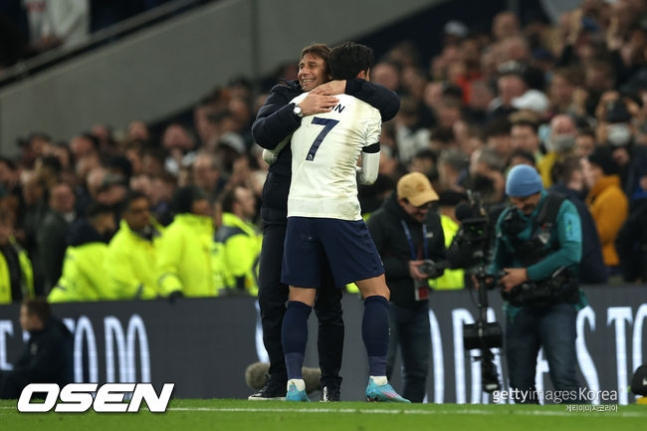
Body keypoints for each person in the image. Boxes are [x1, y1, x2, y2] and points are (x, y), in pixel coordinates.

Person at [250, 42, 400, 401]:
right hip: (337, 212)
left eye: (311, 65)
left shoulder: (299, 105)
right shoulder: (363, 109)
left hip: (298, 212)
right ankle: (377, 380)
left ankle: (298, 384)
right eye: (301, 65)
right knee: (375, 292)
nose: (303, 71)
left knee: (301, 301)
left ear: (330, 71)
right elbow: (370, 176)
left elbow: (268, 152)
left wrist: (301, 112)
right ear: (364, 73)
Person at [489, 164, 585, 404]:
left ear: (537, 192)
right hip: (520, 307)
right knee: (520, 387)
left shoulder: (562, 208)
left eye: (525, 201)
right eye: (515, 201)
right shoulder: (507, 218)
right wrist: (490, 274)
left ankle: (587, 421)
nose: (520, 206)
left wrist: (527, 274)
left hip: (557, 303)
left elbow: (571, 252)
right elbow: (499, 258)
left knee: (564, 380)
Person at [366, 172, 445, 402]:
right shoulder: (379, 222)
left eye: (428, 204)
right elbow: (370, 262)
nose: (425, 210)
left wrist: (434, 268)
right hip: (387, 304)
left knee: (419, 370)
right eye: (419, 205)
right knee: (383, 368)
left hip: (419, 304)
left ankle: (413, 416)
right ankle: (375, 417)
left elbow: (442, 258)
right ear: (402, 202)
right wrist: (405, 268)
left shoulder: (433, 221)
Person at [0, 297, 72, 399]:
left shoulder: (54, 338)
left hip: (51, 390)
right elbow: (22, 363)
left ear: (34, 318)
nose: (20, 320)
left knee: (10, 380)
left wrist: (13, 375)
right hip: (37, 382)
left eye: (23, 315)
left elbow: (39, 372)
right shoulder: (37, 336)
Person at [48, 203, 117, 302]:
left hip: (60, 301)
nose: (114, 222)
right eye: (112, 218)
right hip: (73, 306)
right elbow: (106, 287)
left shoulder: (75, 245)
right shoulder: (94, 250)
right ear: (104, 219)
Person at [157, 185, 217, 298]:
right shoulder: (175, 232)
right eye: (199, 200)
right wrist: (174, 290)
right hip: (189, 302)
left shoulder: (211, 229)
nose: (206, 203)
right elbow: (166, 268)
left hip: (219, 301)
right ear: (186, 204)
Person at [104, 191, 161, 300]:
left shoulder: (162, 236)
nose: (145, 215)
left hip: (173, 301)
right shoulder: (119, 246)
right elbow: (122, 283)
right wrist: (154, 297)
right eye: (138, 212)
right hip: (143, 306)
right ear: (125, 216)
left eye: (147, 209)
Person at [214, 186, 262, 296]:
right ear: (236, 205)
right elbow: (242, 273)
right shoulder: (236, 235)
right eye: (248, 199)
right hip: (248, 298)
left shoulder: (246, 230)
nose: (253, 202)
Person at [0, 209, 34, 305]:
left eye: (5, 226)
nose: (1, 231)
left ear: (12, 229)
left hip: (18, 306)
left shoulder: (18, 251)